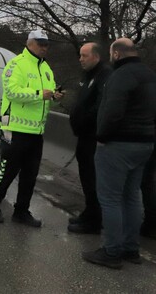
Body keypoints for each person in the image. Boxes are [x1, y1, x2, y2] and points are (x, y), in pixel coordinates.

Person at [82, 38, 156, 269]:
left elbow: (111, 111)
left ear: (116, 54)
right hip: (144, 144)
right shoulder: (149, 74)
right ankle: (130, 248)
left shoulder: (120, 76)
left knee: (110, 198)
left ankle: (112, 251)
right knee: (131, 197)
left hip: (118, 145)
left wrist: (101, 137)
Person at [0, 29, 62, 227]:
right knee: (8, 171)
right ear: (30, 43)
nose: (45, 47)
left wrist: (53, 96)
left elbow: (46, 97)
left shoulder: (47, 69)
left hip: (36, 132)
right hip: (15, 129)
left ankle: (21, 211)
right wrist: (39, 93)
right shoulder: (16, 64)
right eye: (41, 43)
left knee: (30, 174)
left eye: (47, 44)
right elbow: (12, 92)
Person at [67, 43, 111, 234]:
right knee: (86, 178)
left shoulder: (104, 75)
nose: (80, 59)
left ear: (96, 56)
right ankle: (89, 212)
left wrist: (83, 121)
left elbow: (100, 106)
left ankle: (94, 221)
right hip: (83, 137)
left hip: (93, 137)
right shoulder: (88, 76)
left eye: (84, 56)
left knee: (93, 180)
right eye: (80, 56)